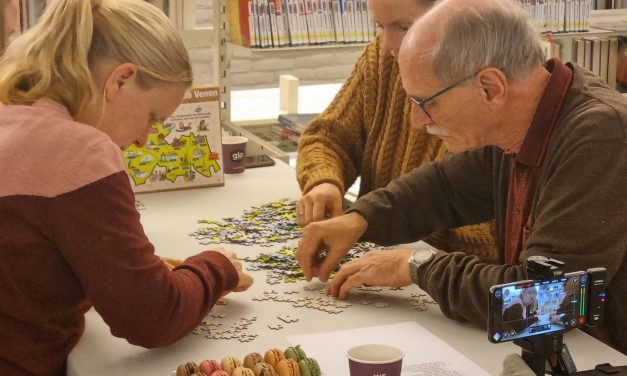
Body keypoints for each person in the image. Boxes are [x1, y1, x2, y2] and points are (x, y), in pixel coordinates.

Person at [296, 0, 627, 355]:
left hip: (602, 356)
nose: (416, 121)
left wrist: (416, 265)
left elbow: (545, 304)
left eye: (425, 103)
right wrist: (360, 219)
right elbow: (444, 189)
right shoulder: (524, 120)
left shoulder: (600, 135)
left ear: (490, 88)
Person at [0, 0, 253, 374]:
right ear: (120, 79)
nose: (144, 141)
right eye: (153, 118)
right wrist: (218, 266)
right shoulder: (81, 151)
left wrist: (131, 269)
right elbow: (152, 317)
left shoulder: (12, 114)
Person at [295, 0, 499, 263]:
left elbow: (489, 241)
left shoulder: (483, 89)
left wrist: (410, 259)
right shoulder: (381, 59)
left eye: (405, 27)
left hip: (445, 281)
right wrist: (325, 182)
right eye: (380, 26)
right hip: (376, 256)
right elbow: (327, 137)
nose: (388, 43)